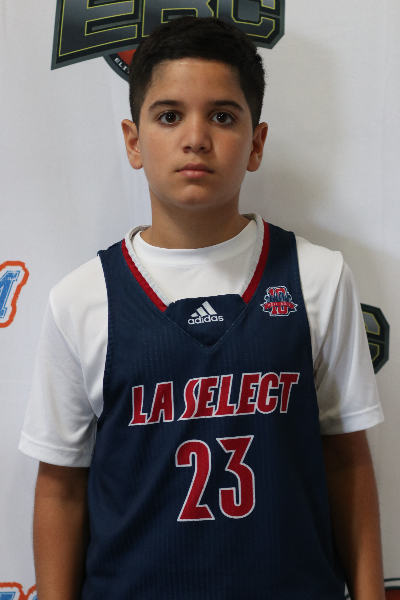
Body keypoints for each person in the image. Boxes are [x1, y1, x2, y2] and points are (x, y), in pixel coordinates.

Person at [19, 16, 385, 600]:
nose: (196, 137)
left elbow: (346, 460)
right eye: (169, 116)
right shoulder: (82, 299)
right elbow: (61, 487)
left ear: (256, 143)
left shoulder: (318, 278)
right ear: (133, 141)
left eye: (222, 116)